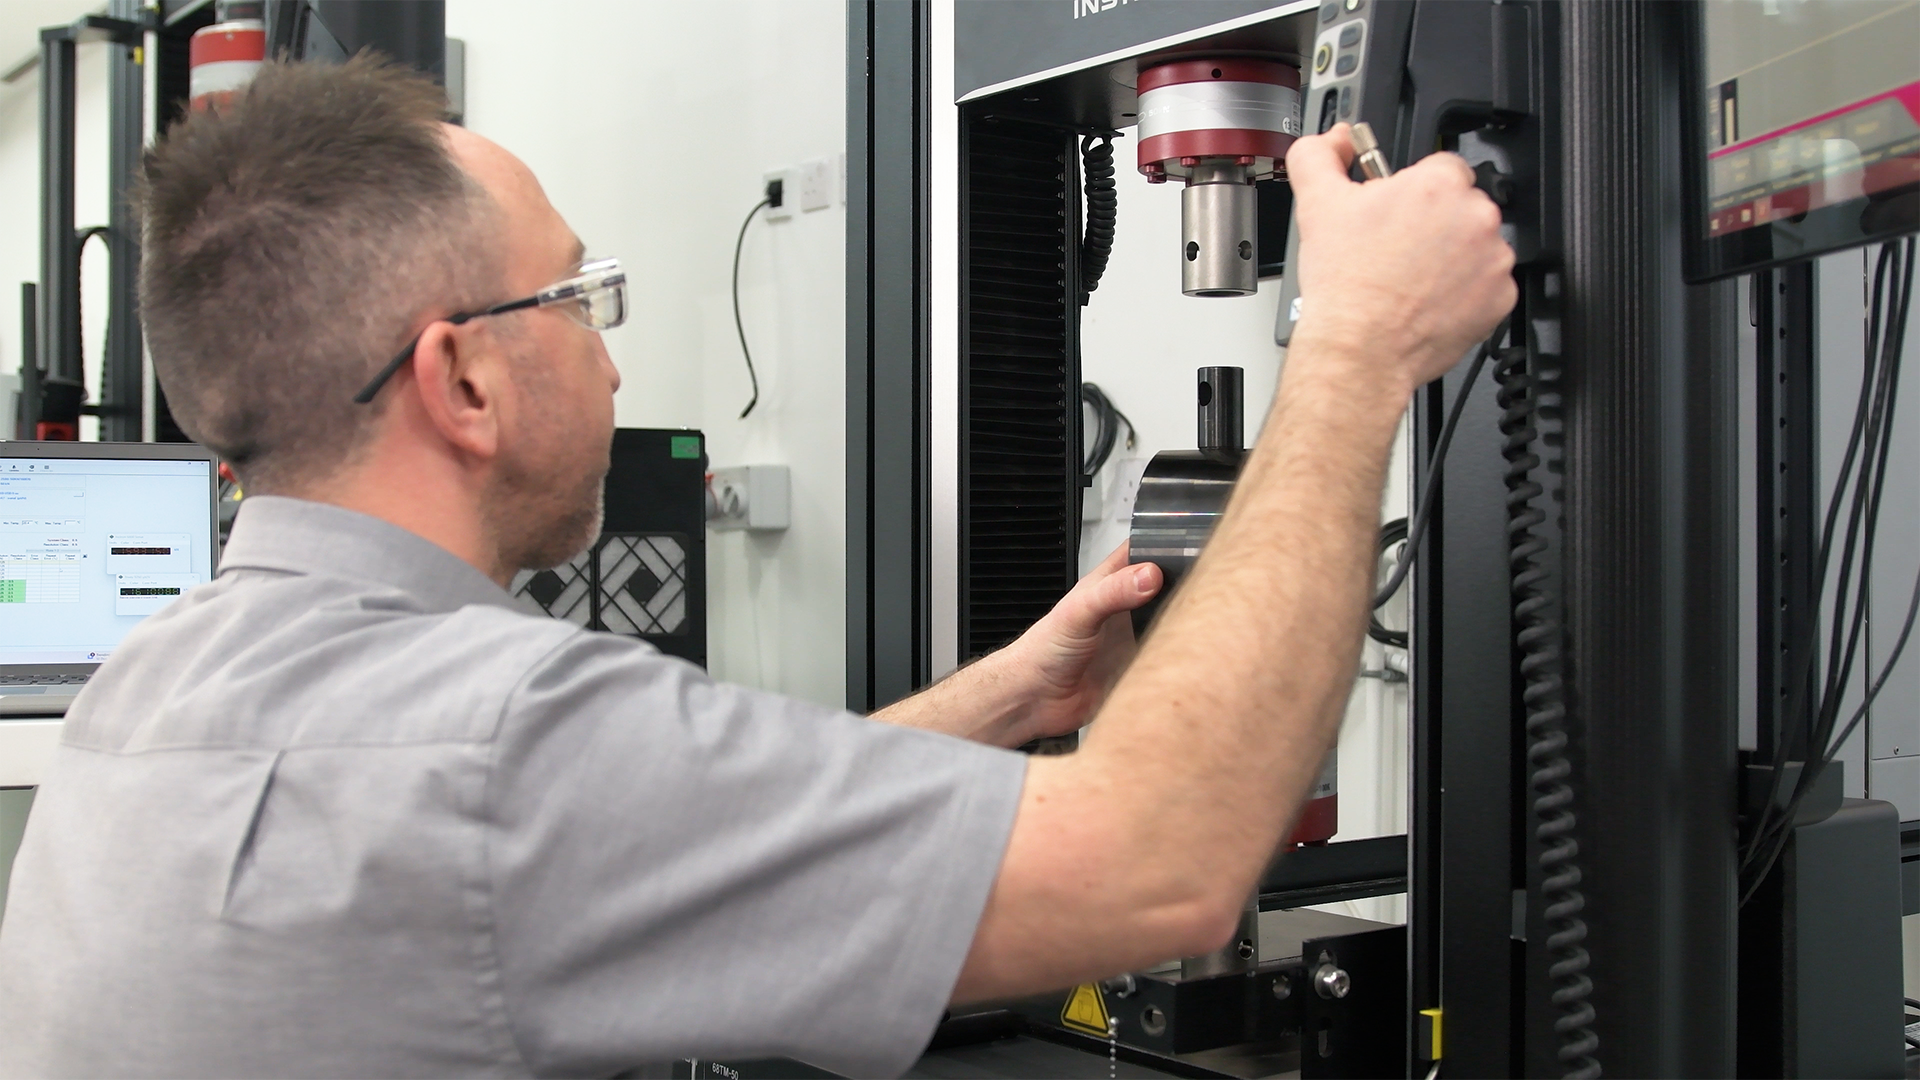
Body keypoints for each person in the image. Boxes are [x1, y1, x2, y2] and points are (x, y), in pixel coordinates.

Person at [0, 57, 1514, 1080]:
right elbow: (1162, 869)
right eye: (580, 297)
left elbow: (634, 844)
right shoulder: (499, 738)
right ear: (460, 381)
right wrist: (1359, 342)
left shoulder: (147, 689)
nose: (610, 356)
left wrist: (1009, 694)